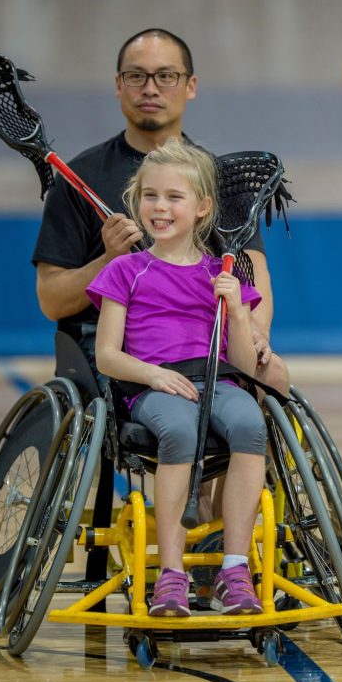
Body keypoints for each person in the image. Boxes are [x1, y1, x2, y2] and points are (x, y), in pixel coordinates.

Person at [31, 27, 288, 394]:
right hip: (117, 347)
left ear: (190, 85)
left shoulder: (221, 181)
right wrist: (108, 259)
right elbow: (51, 300)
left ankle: (259, 454)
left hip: (203, 338)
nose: (150, 88)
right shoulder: (78, 179)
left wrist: (255, 332)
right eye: (136, 76)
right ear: (118, 85)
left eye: (166, 76)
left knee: (272, 375)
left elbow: (254, 272)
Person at [89, 139, 266, 616]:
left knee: (251, 423)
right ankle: (171, 574)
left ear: (203, 207)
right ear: (136, 199)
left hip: (218, 381)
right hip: (153, 386)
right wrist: (154, 375)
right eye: (150, 195)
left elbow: (246, 366)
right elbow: (106, 356)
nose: (160, 207)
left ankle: (233, 570)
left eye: (174, 197)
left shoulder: (221, 274)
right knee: (181, 430)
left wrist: (237, 312)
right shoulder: (126, 270)